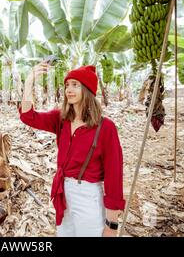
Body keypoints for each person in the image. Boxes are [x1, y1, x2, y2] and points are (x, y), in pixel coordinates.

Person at [19, 62, 125, 237]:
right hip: (64, 194)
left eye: (75, 85)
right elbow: (28, 116)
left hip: (88, 197)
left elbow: (114, 176)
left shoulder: (105, 127)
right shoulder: (61, 119)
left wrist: (111, 225)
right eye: (67, 84)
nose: (69, 89)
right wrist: (29, 82)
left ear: (88, 90)